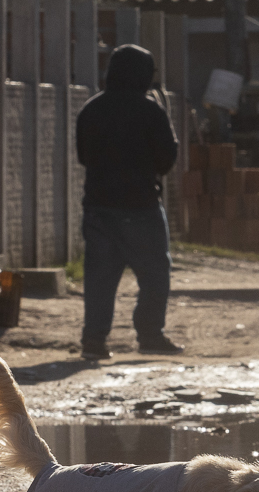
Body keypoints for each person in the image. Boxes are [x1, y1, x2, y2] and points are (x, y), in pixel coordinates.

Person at [76, 43, 182, 360]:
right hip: (141, 208)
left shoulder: (92, 109)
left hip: (99, 207)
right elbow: (166, 159)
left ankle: (94, 341)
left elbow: (83, 156)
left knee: (99, 279)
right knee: (154, 275)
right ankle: (150, 335)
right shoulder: (150, 111)